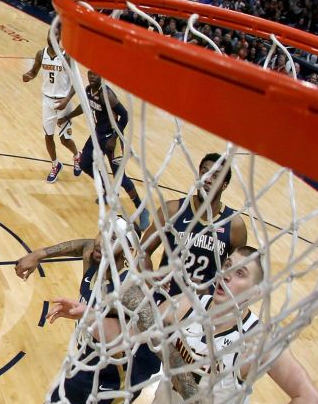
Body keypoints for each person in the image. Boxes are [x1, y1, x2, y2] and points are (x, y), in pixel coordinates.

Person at [49, 247, 318, 404]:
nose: (227, 274)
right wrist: (87, 315)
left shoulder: (257, 340)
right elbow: (128, 338)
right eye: (227, 265)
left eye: (240, 273)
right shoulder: (184, 305)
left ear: (256, 292)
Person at [15, 219, 160, 404]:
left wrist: (89, 315)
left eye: (113, 239)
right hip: (89, 359)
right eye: (102, 232)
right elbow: (81, 244)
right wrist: (38, 254)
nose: (101, 241)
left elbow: (143, 334)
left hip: (117, 376)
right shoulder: (93, 257)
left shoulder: (129, 288)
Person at [142, 152, 247, 295]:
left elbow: (237, 274)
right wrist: (150, 278)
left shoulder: (235, 225)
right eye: (204, 172)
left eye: (215, 176)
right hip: (165, 297)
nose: (208, 179)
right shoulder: (173, 210)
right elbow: (143, 251)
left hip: (203, 306)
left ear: (224, 185)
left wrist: (211, 290)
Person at [60, 70, 146, 223]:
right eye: (90, 74)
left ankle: (141, 208)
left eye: (95, 74)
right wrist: (68, 116)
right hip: (98, 134)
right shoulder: (89, 90)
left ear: (102, 76)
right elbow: (84, 106)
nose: (92, 77)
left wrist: (113, 138)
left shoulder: (106, 94)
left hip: (114, 138)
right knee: (84, 163)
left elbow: (125, 115)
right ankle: (108, 189)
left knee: (121, 178)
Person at [22, 34, 80, 182]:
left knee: (64, 139)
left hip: (62, 101)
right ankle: (55, 164)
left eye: (55, 34)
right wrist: (29, 75)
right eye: (50, 34)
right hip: (47, 100)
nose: (52, 36)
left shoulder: (67, 57)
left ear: (60, 37)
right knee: (48, 136)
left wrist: (67, 100)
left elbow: (76, 83)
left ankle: (76, 155)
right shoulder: (41, 54)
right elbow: (34, 71)